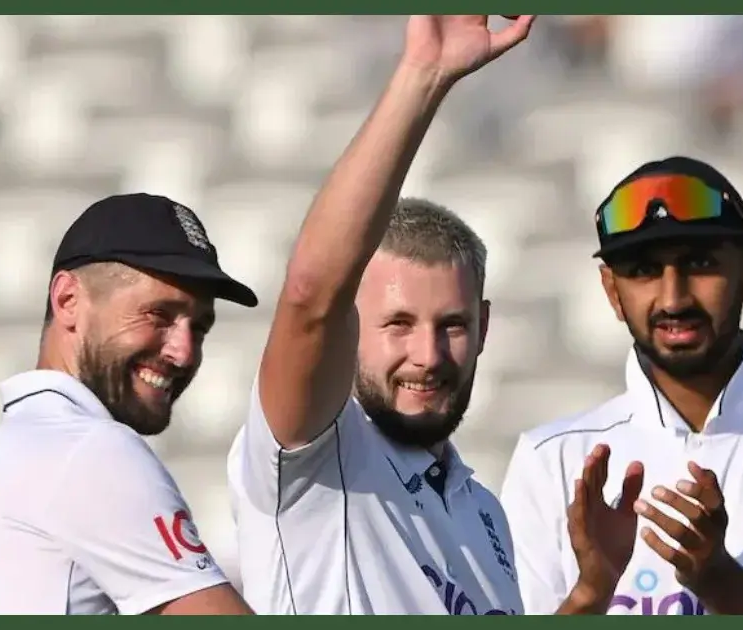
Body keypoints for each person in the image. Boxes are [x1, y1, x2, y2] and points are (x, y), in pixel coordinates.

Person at [226, 15, 640, 615]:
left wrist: (591, 592)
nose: (428, 355)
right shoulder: (313, 453)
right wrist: (424, 75)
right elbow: (312, 291)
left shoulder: (483, 511)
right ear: (351, 328)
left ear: (484, 330)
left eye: (451, 325)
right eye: (398, 324)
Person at [500, 156, 743, 615]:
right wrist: (592, 591)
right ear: (612, 291)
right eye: (643, 270)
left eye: (700, 262)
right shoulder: (549, 458)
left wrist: (720, 581)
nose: (674, 298)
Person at [0, 194, 256, 615]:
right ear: (67, 300)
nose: (184, 352)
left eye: (200, 329)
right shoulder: (90, 450)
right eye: (159, 314)